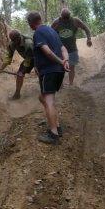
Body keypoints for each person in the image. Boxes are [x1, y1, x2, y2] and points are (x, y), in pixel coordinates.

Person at [26, 10, 69, 145]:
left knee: (48, 101)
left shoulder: (38, 32)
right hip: (58, 71)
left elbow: (47, 52)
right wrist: (65, 61)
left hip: (49, 71)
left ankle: (53, 134)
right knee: (43, 98)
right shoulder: (52, 31)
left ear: (31, 23)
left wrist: (61, 62)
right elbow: (63, 49)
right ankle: (56, 126)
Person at [51, 7, 92, 86]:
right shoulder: (57, 22)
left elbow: (86, 28)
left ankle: (71, 84)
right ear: (61, 17)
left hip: (72, 48)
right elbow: (49, 33)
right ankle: (61, 84)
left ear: (70, 16)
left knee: (71, 67)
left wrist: (89, 39)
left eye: (67, 18)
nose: (66, 20)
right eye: (64, 18)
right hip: (60, 49)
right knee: (60, 67)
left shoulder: (75, 21)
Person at [0, 29, 34, 99]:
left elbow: (28, 60)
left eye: (15, 40)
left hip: (37, 57)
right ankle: (17, 94)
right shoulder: (12, 44)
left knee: (40, 72)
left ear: (19, 37)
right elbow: (8, 57)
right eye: (13, 40)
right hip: (28, 59)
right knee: (20, 74)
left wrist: (23, 71)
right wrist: (1, 68)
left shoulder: (28, 43)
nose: (14, 42)